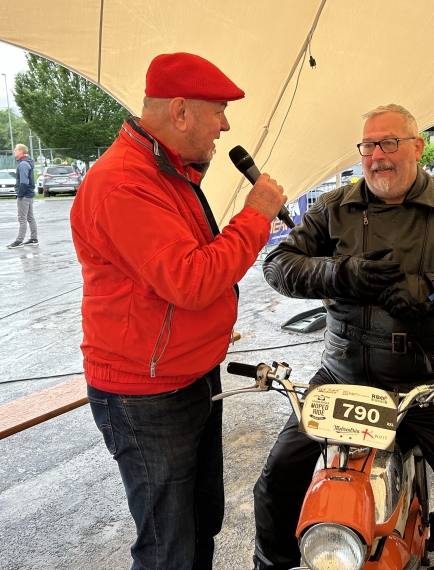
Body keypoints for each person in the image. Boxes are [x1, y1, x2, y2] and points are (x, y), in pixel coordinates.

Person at [254, 104, 434, 570]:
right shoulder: (333, 206)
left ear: (417, 147)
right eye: (368, 146)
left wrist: (432, 290)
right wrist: (340, 273)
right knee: (276, 483)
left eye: (390, 143)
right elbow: (278, 265)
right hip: (343, 379)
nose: (378, 156)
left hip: (433, 383)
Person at [70, 52, 287, 570]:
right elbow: (191, 279)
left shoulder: (166, 171)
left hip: (187, 378)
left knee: (198, 523)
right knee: (169, 547)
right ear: (181, 111)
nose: (226, 124)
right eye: (219, 111)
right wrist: (256, 216)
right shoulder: (125, 182)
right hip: (145, 396)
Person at [8, 143, 38, 248]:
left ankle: (19, 241)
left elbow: (24, 182)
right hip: (30, 194)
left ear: (21, 152)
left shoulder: (23, 164)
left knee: (22, 219)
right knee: (30, 217)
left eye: (15, 150)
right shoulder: (26, 162)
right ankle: (34, 239)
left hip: (25, 195)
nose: (14, 151)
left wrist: (20, 194)